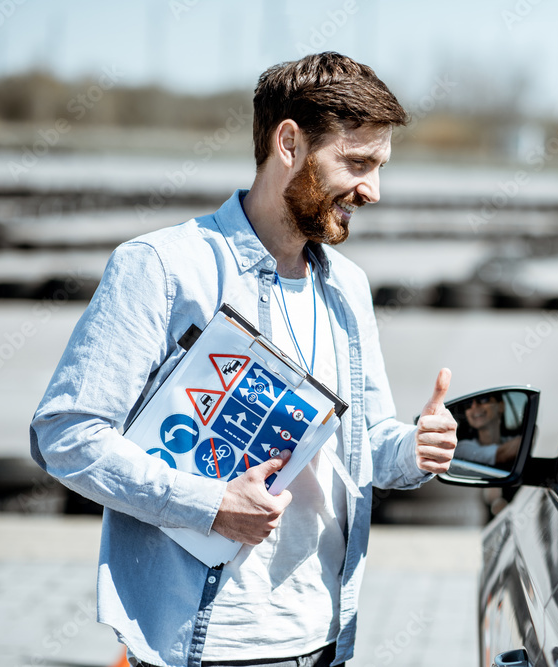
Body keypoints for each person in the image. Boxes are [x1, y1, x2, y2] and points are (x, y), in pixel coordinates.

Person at [30, 52, 458, 667]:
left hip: (325, 638)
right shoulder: (162, 267)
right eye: (358, 163)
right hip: (206, 644)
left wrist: (415, 449)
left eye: (380, 167)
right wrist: (210, 507)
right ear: (289, 143)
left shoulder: (349, 288)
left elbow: (366, 448)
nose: (374, 191)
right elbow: (66, 436)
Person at [455, 392, 521, 467]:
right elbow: (501, 455)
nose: (474, 406)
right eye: (468, 404)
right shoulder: (462, 448)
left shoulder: (508, 440)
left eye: (483, 399)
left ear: (501, 406)